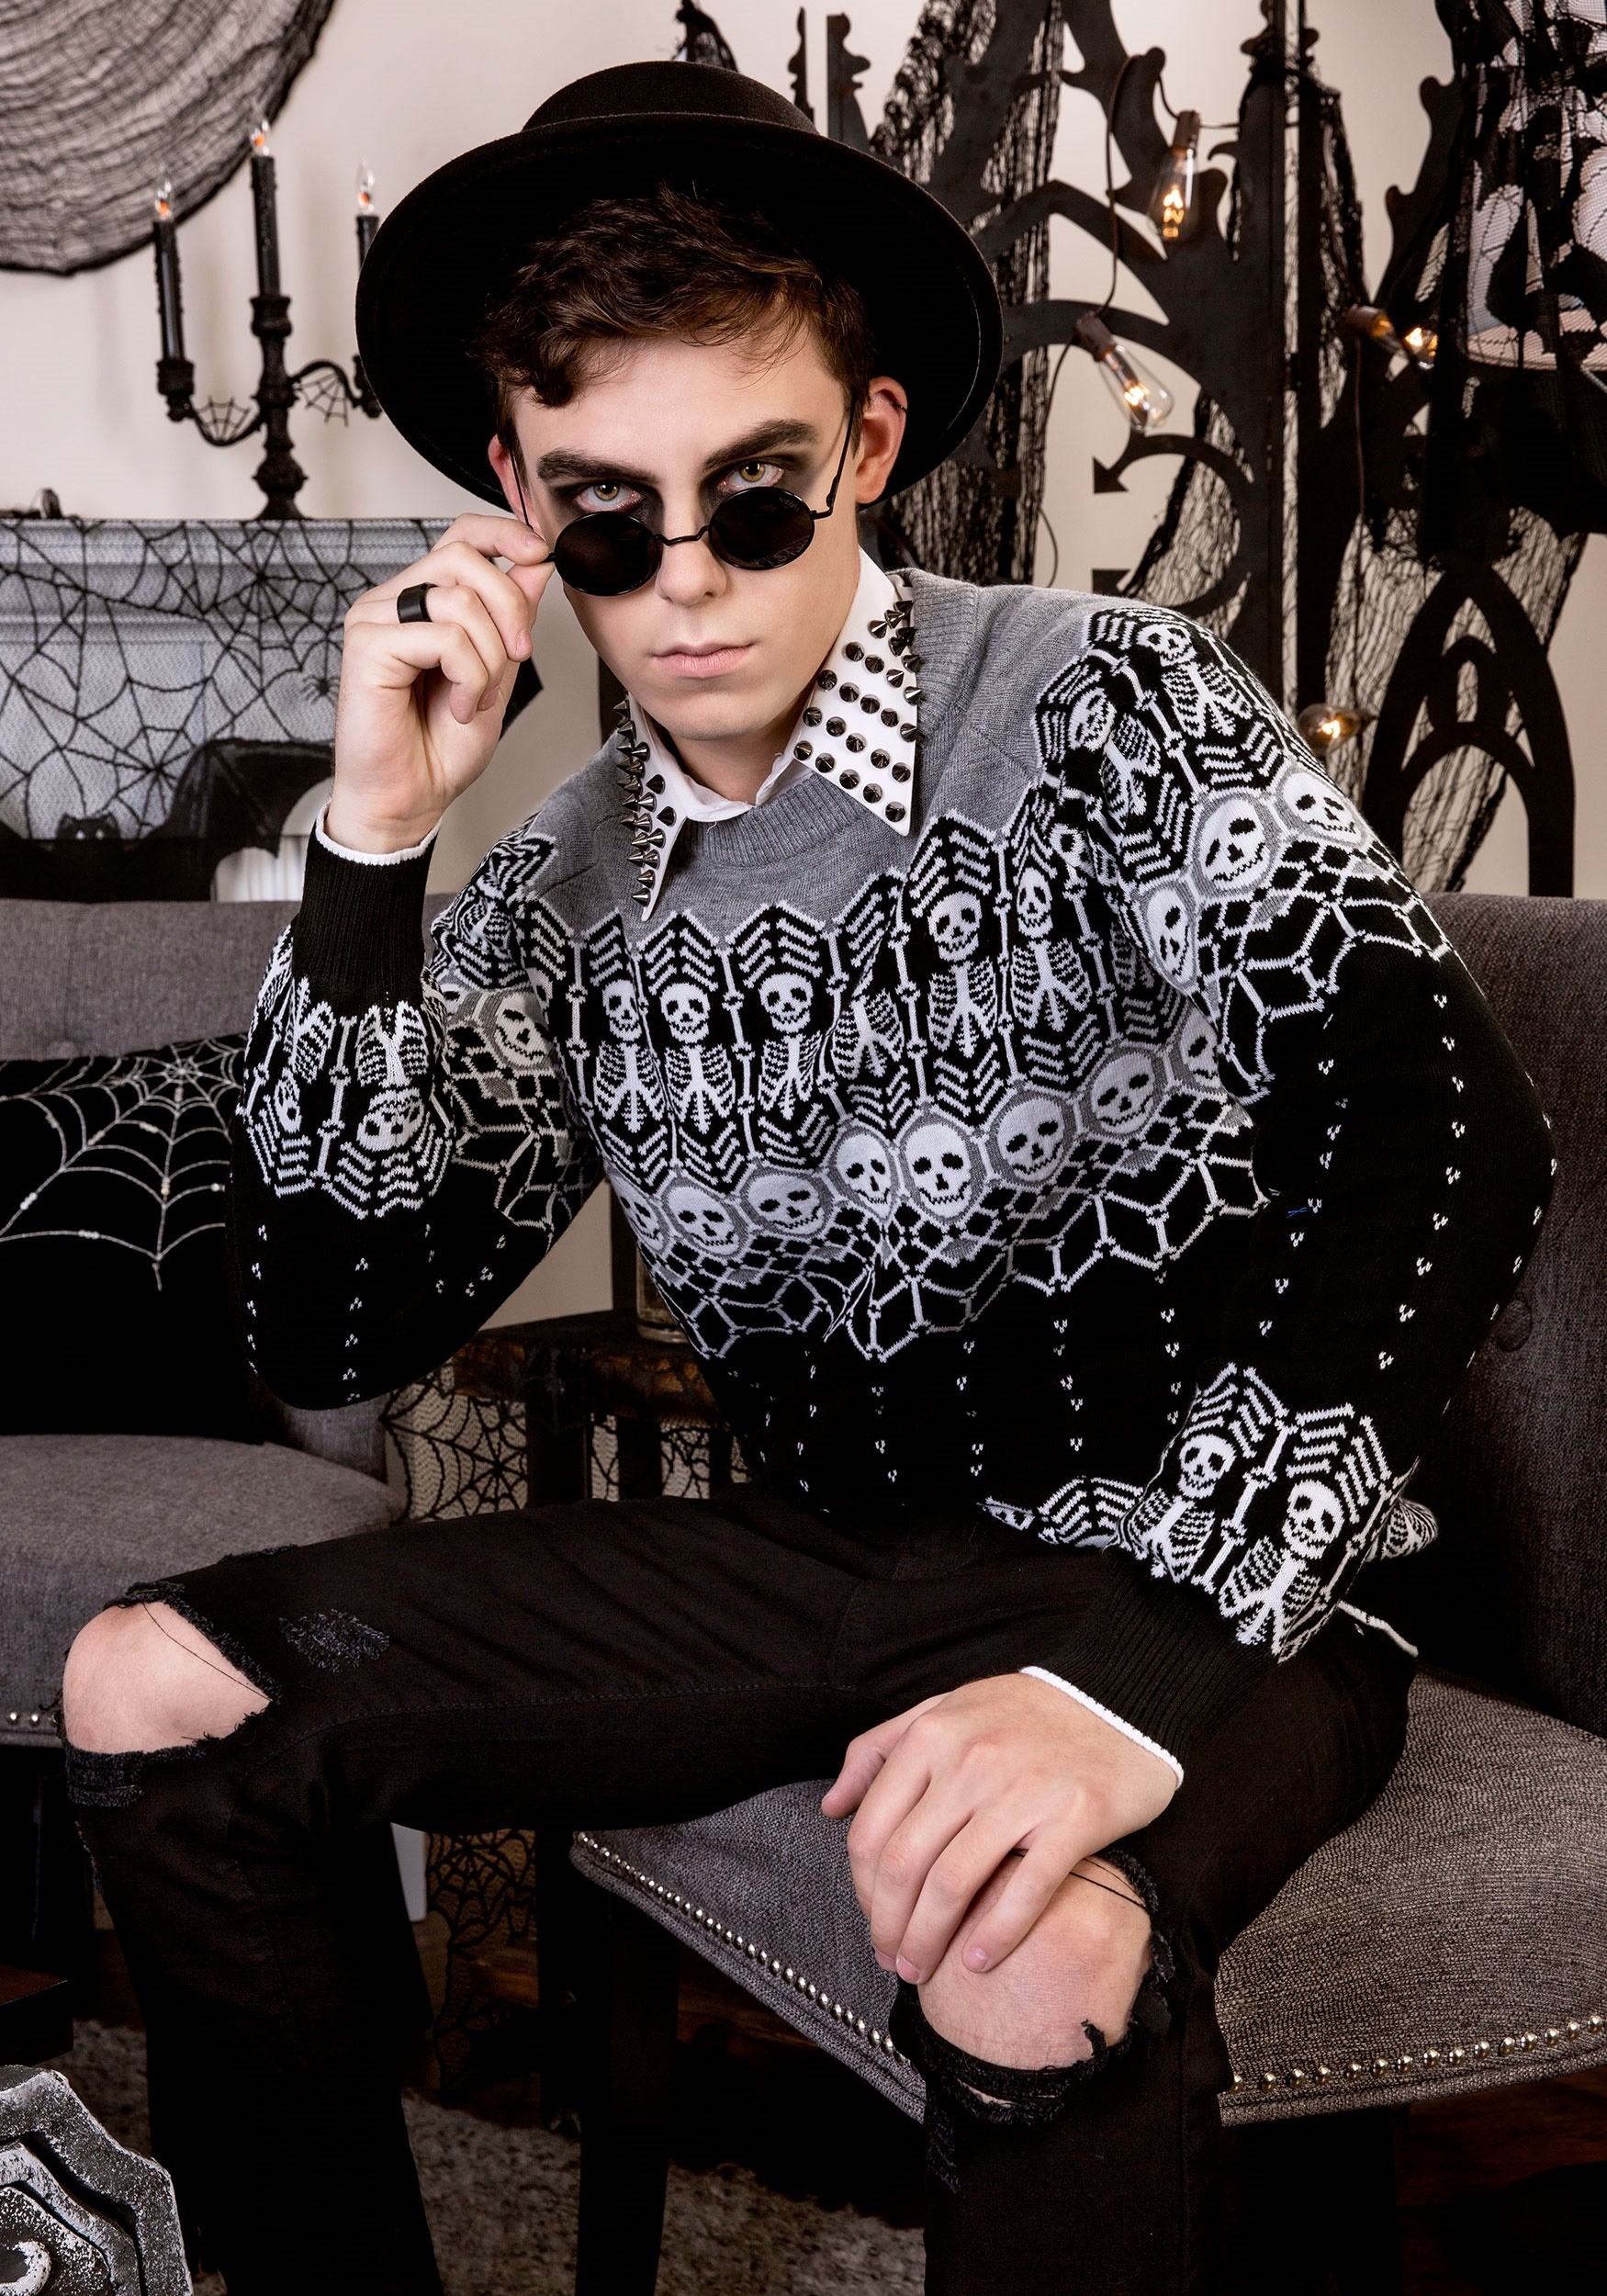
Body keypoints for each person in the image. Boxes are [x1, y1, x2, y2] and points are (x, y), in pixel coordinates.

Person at [57, 60, 1553, 2296]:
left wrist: (1139, 1655)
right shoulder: (561, 887)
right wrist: (368, 851)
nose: (684, 587)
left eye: (751, 503)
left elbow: (1443, 1128)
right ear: (514, 503)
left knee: (1026, 1946)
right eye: (606, 519)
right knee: (152, 1685)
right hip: (825, 1558)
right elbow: (326, 1323)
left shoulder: (1103, 702)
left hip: (1205, 1568)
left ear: (864, 442)